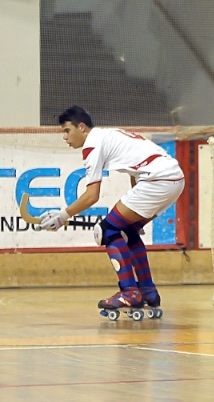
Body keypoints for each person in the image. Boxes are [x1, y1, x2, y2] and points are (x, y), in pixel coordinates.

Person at [40, 105, 185, 311]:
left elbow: (92, 195)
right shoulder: (109, 134)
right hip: (174, 179)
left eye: (67, 130)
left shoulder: (92, 145)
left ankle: (130, 292)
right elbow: (135, 171)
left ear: (81, 127)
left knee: (106, 231)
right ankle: (147, 291)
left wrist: (63, 215)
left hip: (157, 180)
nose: (64, 137)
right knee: (127, 231)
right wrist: (133, 216)